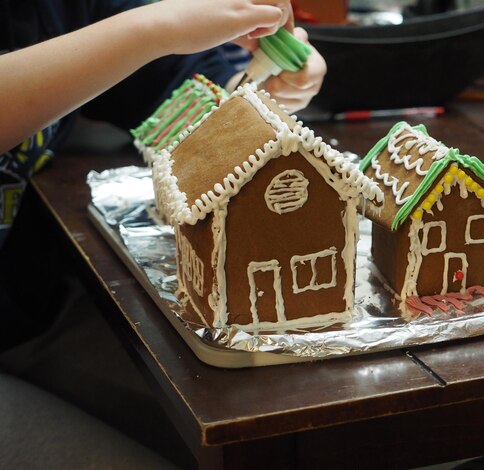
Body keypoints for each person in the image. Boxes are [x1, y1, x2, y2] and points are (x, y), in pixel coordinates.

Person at [0, 0, 326, 467]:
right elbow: (146, 36)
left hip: (31, 313)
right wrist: (151, 28)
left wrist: (261, 80)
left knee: (272, 428)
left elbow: (177, 83)